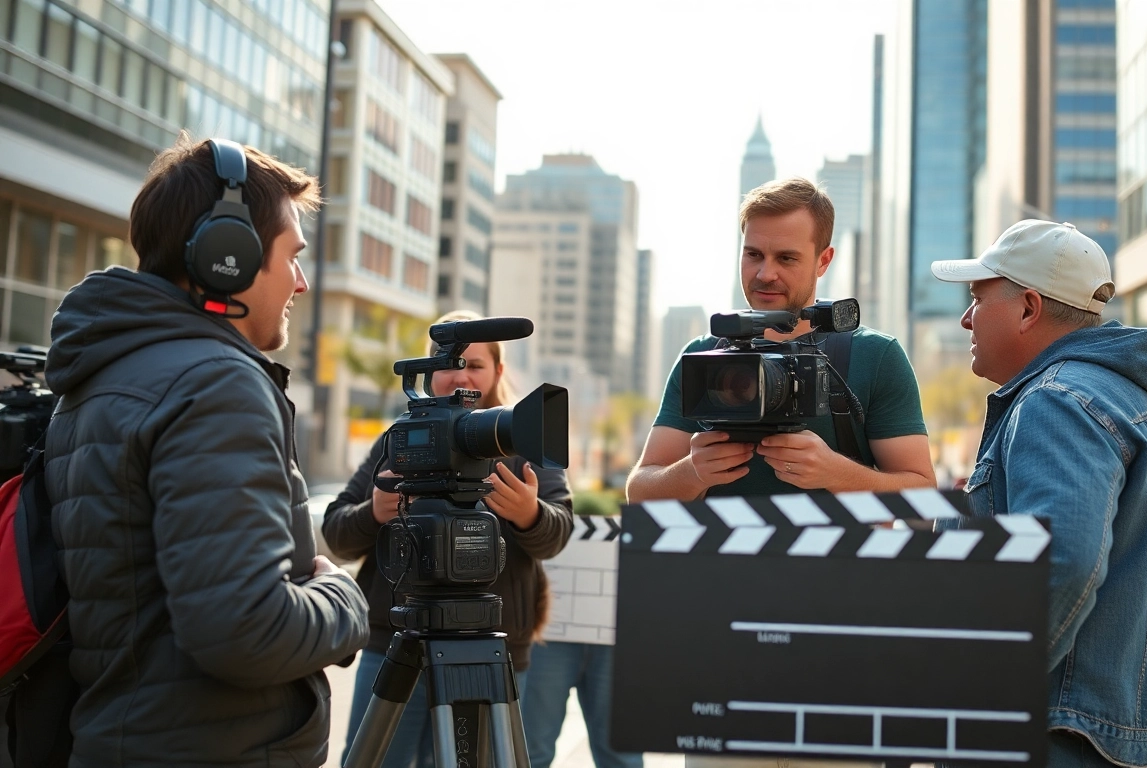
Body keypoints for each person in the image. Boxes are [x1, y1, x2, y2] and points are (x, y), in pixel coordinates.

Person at [42, 136, 370, 766]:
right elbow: (246, 631)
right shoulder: (216, 383)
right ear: (229, 259)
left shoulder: (101, 378)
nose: (301, 283)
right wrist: (345, 599)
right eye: (291, 257)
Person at [931, 219, 1147, 768]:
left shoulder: (1055, 402)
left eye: (978, 298)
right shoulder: (1129, 402)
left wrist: (974, 693)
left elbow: (1063, 560)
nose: (965, 319)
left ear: (1028, 308)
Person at [325, 310, 573, 767]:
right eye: (448, 364)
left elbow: (558, 534)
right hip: (398, 638)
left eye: (475, 365)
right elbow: (337, 532)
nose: (460, 375)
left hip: (490, 644)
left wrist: (530, 515)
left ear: (499, 371)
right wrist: (374, 512)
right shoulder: (400, 441)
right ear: (425, 371)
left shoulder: (522, 445)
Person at [627, 177, 935, 503]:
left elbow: (923, 500)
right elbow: (640, 491)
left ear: (824, 260)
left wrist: (835, 473)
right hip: (718, 555)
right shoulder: (703, 355)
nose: (765, 274)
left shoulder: (874, 355)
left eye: (786, 258)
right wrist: (693, 472)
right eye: (753, 254)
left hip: (837, 555)